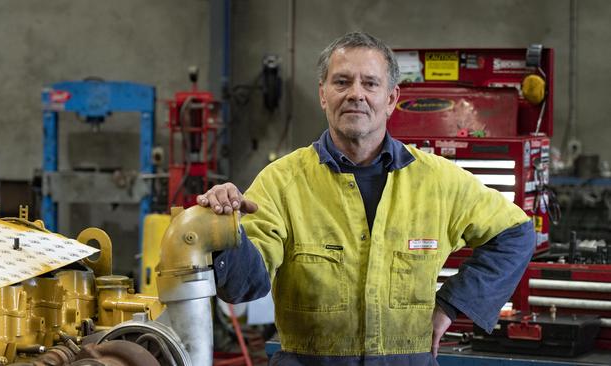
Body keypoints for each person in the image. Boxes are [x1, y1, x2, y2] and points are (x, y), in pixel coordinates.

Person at [198, 31, 535, 365]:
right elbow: (243, 287)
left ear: (391, 99)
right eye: (342, 82)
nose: (355, 94)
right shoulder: (282, 182)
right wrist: (226, 230)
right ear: (323, 95)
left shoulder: (438, 180)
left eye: (370, 84)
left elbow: (516, 232)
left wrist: (451, 305)